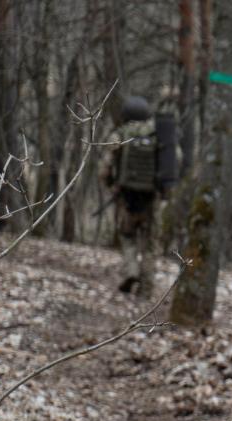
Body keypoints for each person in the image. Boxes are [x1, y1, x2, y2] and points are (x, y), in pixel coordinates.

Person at [102, 95, 160, 297]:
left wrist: (111, 185)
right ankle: (146, 290)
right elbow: (175, 159)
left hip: (126, 197)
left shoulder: (120, 134)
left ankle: (131, 271)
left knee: (127, 236)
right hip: (152, 198)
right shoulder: (158, 134)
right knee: (150, 244)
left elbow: (106, 166)